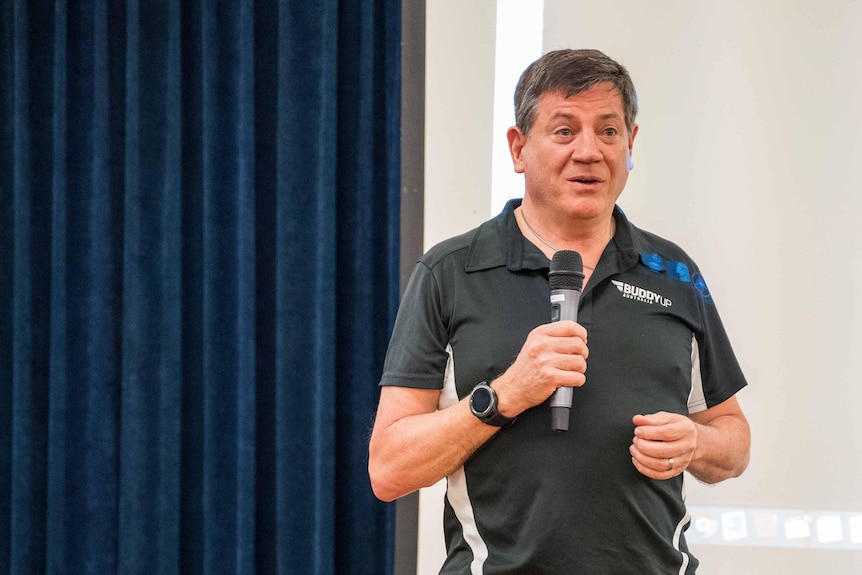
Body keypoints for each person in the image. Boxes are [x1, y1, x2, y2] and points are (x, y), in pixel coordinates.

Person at [368, 48, 750, 574]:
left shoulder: (675, 273)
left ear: (631, 144)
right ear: (519, 148)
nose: (589, 151)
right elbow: (389, 468)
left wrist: (697, 443)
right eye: (565, 130)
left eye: (609, 131)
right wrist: (504, 395)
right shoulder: (450, 273)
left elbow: (733, 438)